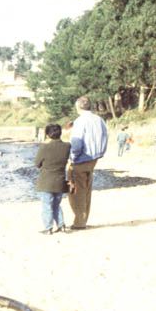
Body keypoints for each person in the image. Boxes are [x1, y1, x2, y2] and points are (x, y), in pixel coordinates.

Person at [67, 95, 108, 230]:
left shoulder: (80, 121)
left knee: (76, 191)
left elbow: (77, 143)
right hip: (94, 158)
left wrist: (72, 157)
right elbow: (105, 137)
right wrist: (99, 153)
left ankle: (79, 222)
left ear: (78, 107)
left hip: (81, 159)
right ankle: (83, 219)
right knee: (86, 189)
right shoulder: (99, 119)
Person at [34, 123, 71, 234]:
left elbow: (37, 164)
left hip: (46, 181)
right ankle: (61, 225)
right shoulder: (67, 146)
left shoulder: (44, 147)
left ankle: (48, 228)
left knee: (47, 205)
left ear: (48, 134)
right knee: (56, 205)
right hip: (60, 181)